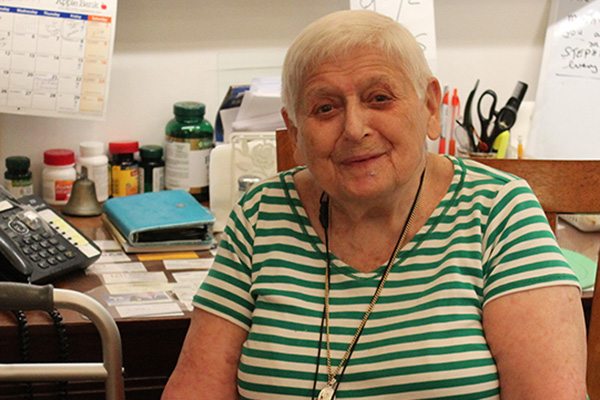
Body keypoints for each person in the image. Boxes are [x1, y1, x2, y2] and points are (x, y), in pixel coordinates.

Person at [162, 10, 587, 400]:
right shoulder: (261, 214)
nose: (354, 128)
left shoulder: (499, 212)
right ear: (295, 131)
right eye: (325, 108)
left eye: (379, 98)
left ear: (429, 105)